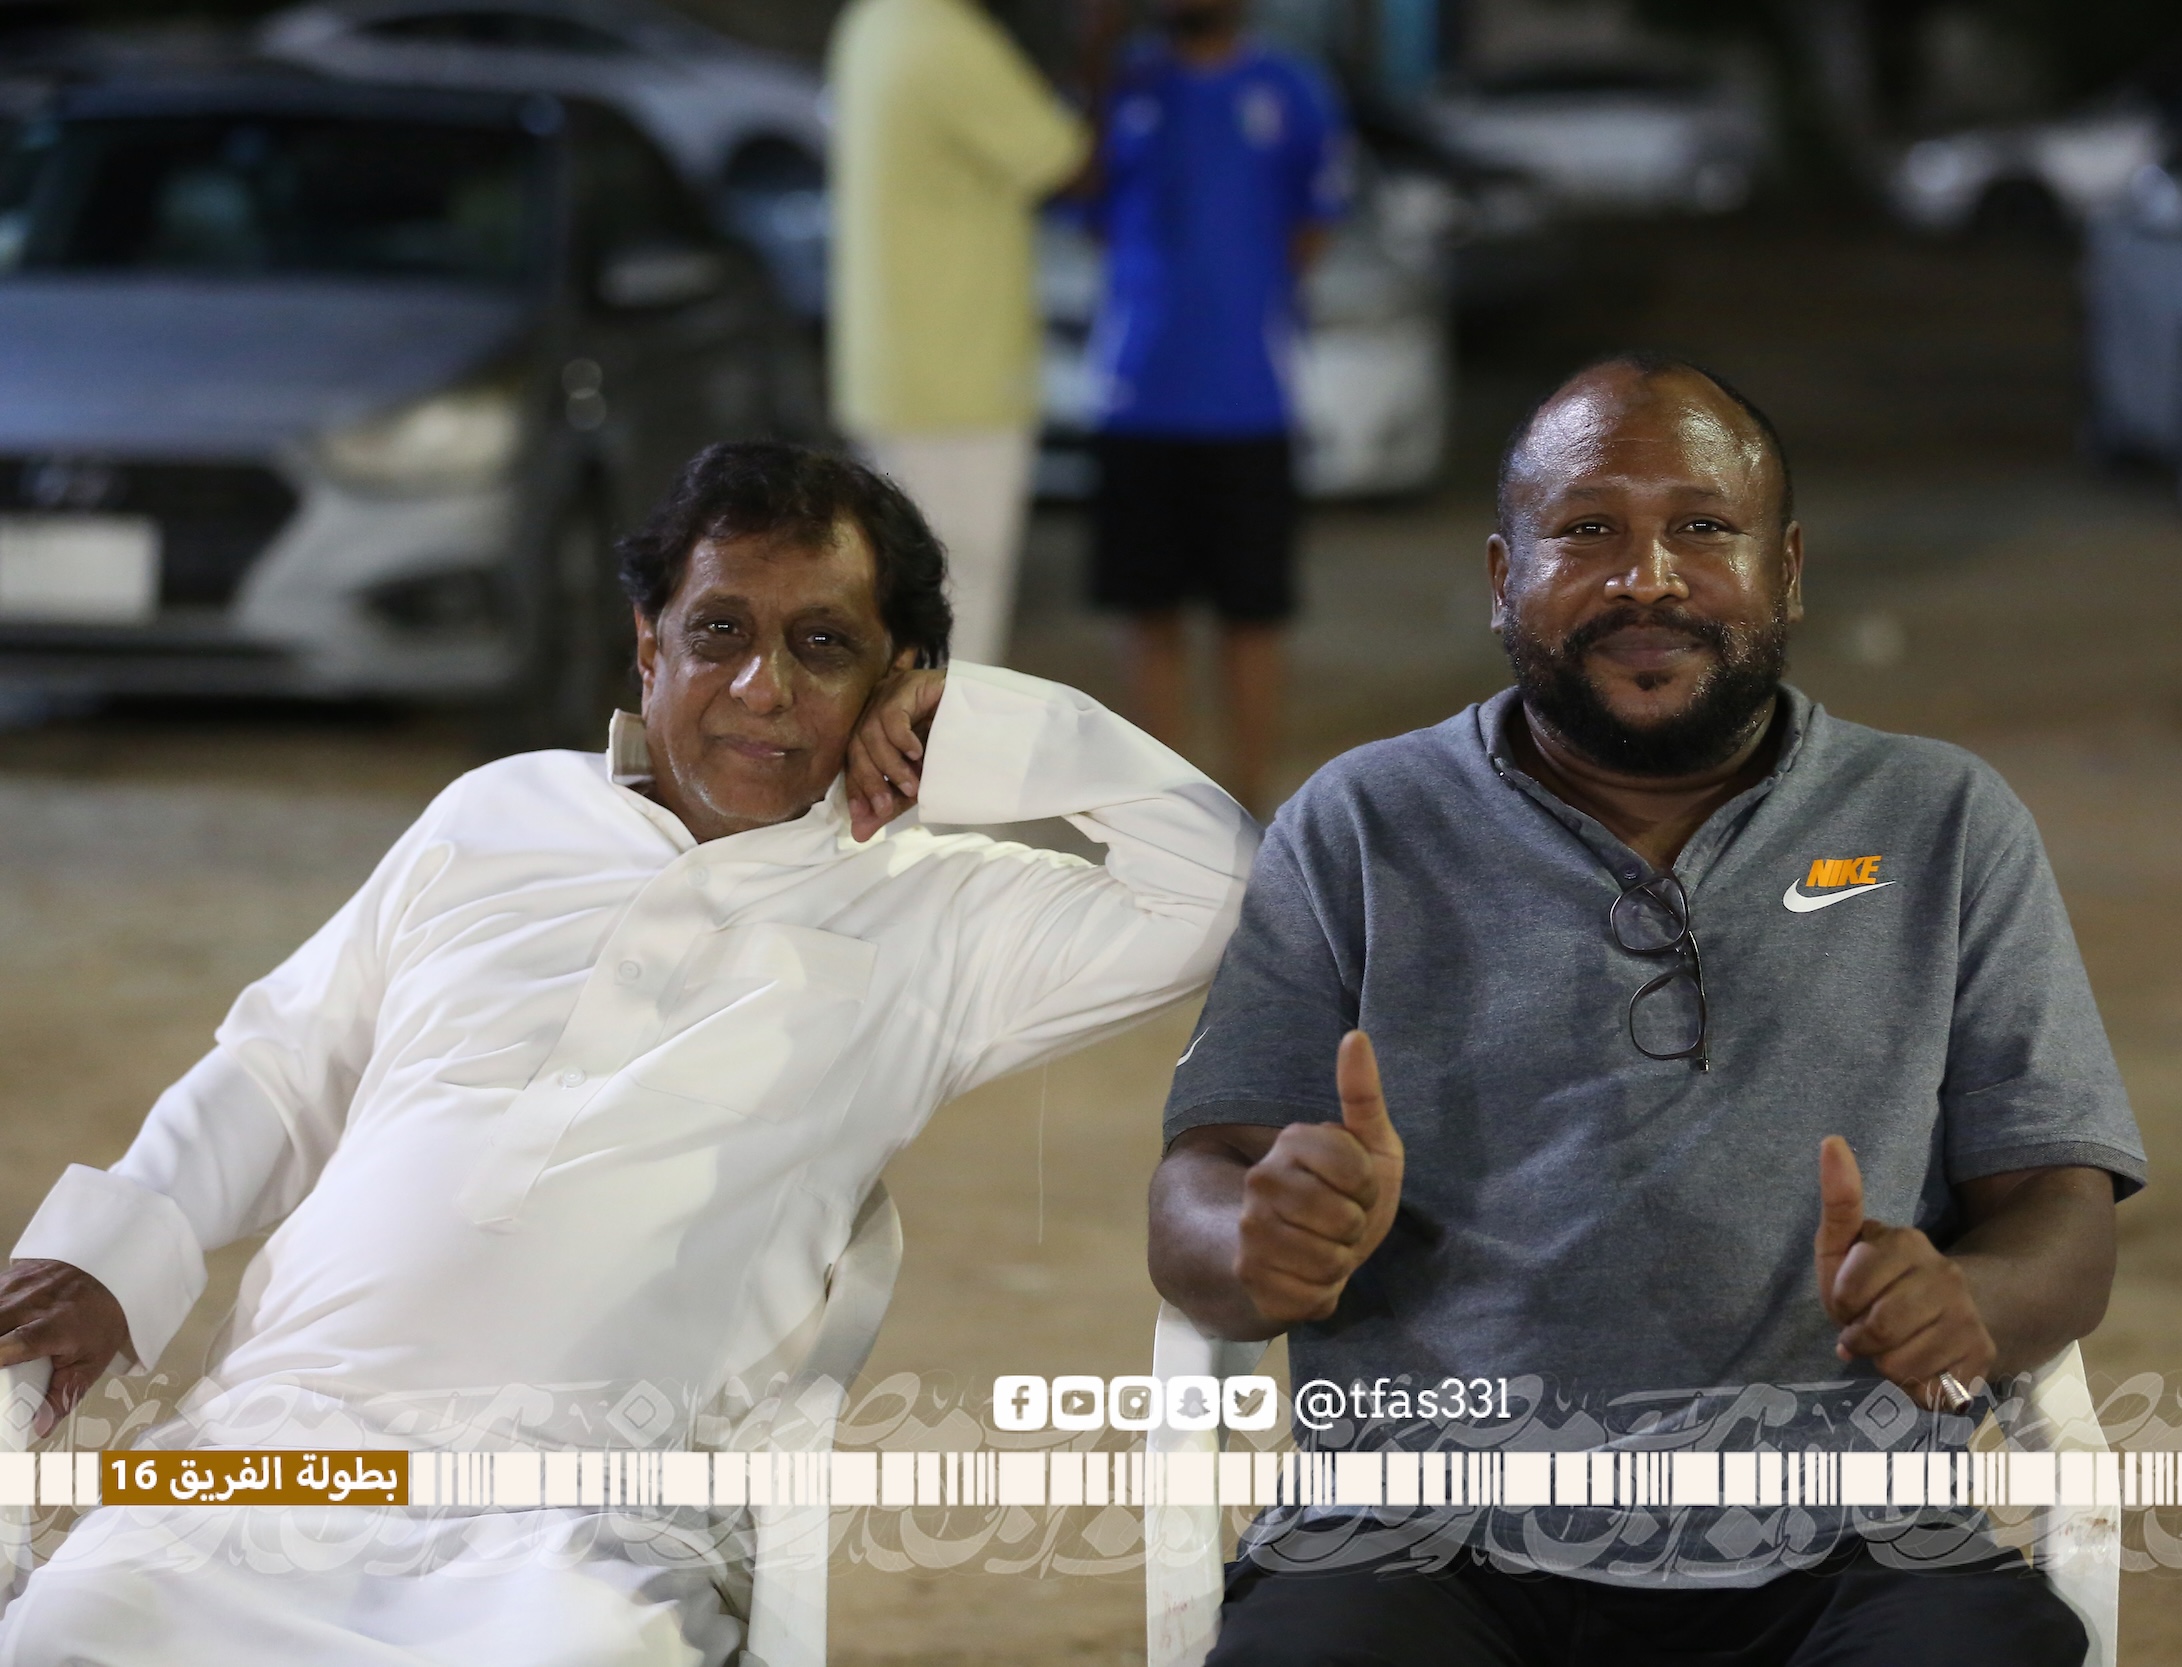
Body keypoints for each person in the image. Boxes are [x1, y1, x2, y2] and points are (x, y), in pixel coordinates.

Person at [0, 442, 1258, 1666]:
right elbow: (287, 1065)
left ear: (898, 679)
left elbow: (1221, 884)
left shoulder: (945, 909)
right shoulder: (499, 812)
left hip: (587, 1509)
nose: (762, 685)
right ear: (650, 645)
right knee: (69, 1629)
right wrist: (113, 1249)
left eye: (824, 644)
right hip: (282, 1450)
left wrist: (977, 722)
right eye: (719, 631)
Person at [1145, 355, 2146, 1664]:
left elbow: (2061, 1206)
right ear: (1503, 575)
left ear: (1787, 568)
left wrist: (1973, 1296)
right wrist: (1257, 1238)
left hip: (1855, 1537)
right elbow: (1201, 1180)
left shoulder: (1941, 821)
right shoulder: (1362, 822)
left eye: (1704, 527)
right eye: (1586, 530)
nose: (1648, 578)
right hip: (1419, 1534)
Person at [1084, 0, 1347, 814]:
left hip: (1249, 405)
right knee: (1148, 615)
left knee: (1252, 616)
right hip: (1138, 400)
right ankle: (1166, 817)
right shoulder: (1123, 88)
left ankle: (1249, 812)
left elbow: (1314, 221)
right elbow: (1085, 206)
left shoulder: (1291, 90)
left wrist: (1241, 296)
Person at [830, 0, 1089, 666]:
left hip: (895, 373)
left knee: (899, 622)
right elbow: (1066, 162)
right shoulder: (947, 38)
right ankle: (944, 743)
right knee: (955, 637)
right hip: (957, 384)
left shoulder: (874, 23)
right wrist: (1100, 39)